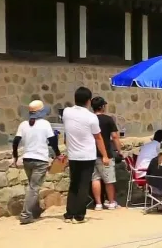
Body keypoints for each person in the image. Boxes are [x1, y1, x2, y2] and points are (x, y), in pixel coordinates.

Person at [62, 87, 109, 223]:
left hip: (73, 154)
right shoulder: (91, 117)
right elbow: (98, 138)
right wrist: (105, 155)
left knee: (74, 184)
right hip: (87, 155)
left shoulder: (67, 112)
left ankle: (69, 214)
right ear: (88, 101)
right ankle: (79, 215)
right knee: (83, 185)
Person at [12, 100, 61, 225]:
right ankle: (25, 215)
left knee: (32, 187)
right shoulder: (45, 124)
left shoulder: (23, 124)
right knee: (34, 188)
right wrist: (58, 154)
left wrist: (15, 156)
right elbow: (53, 141)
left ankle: (35, 211)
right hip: (40, 160)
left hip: (27, 159)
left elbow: (15, 141)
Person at [90, 97, 122, 210]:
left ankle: (98, 203)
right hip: (106, 153)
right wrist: (119, 150)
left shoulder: (89, 119)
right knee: (109, 179)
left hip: (91, 153)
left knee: (95, 178)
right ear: (102, 106)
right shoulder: (108, 119)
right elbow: (114, 136)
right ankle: (112, 202)